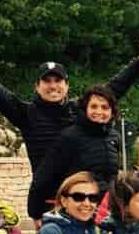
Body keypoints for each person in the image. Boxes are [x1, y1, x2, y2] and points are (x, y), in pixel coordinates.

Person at [0, 26, 139, 171]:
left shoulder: (79, 109)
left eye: (58, 80)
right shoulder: (25, 113)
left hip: (82, 199)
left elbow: (115, 88)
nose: (53, 86)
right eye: (47, 81)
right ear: (37, 86)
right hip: (46, 202)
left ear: (67, 85)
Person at [26, 85, 120, 220]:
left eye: (105, 107)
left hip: (106, 213)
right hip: (76, 211)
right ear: (85, 109)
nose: (99, 111)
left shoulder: (114, 137)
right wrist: (36, 214)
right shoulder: (70, 136)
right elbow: (44, 175)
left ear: (112, 111)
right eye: (94, 106)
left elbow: (113, 177)